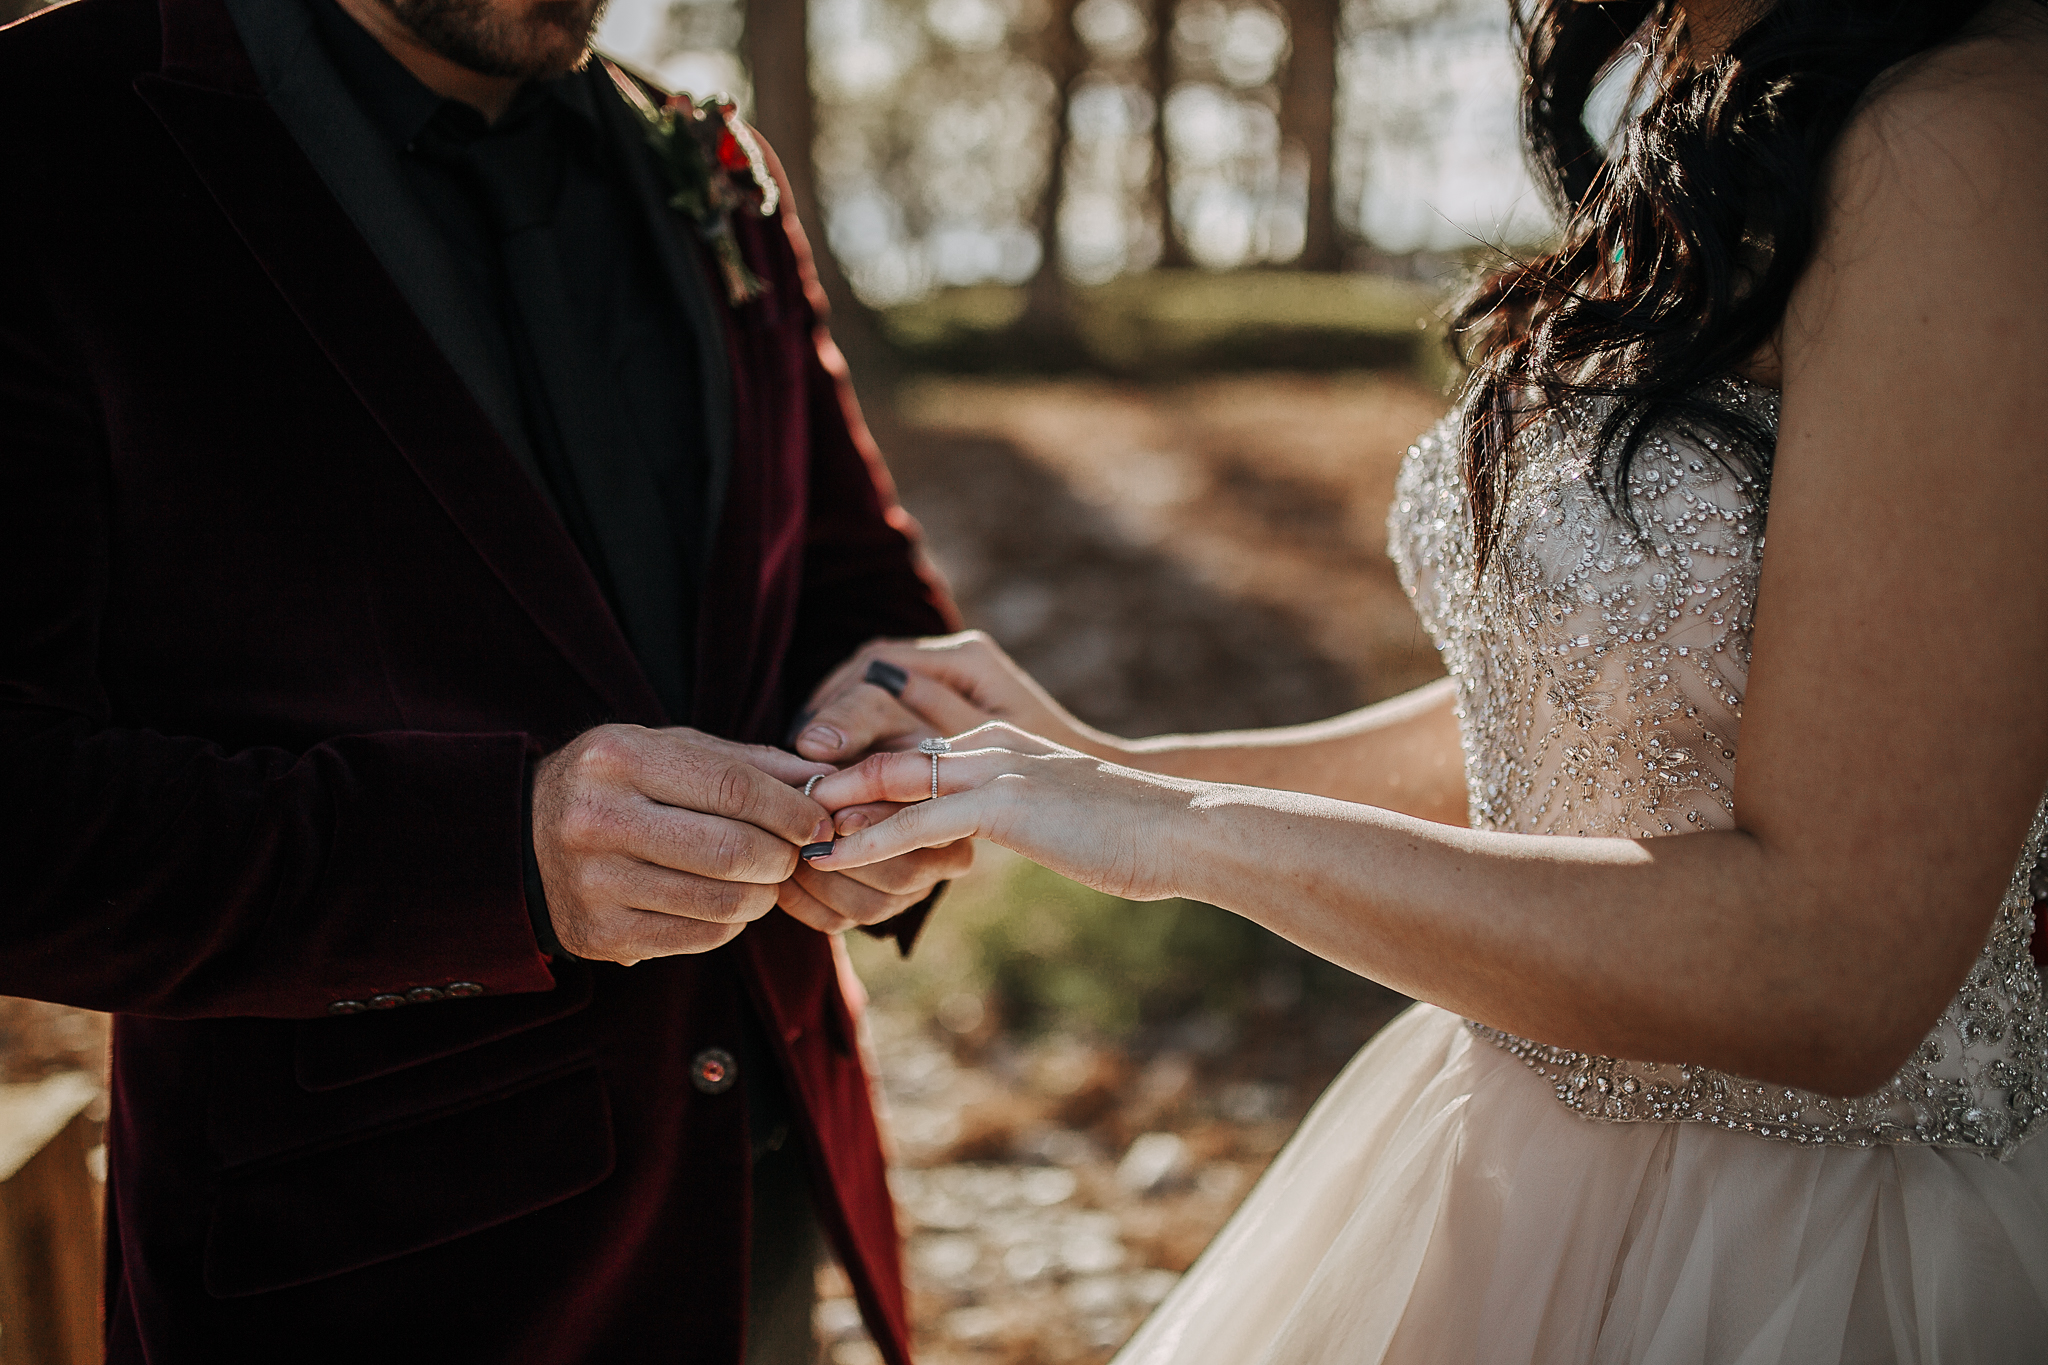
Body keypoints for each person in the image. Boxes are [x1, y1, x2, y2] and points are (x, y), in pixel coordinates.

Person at [796, 0, 2048, 1355]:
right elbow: (1591, 721)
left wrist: (1173, 832)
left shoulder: (1969, 142)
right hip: (1512, 1161)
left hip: (1822, 1249)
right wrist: (1088, 766)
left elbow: (1834, 965)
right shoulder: (1713, 86)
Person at [0, 0, 970, 1359]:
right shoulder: (41, 138)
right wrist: (496, 862)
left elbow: (859, 590)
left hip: (765, 1190)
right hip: (372, 1279)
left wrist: (883, 755)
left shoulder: (704, 159)